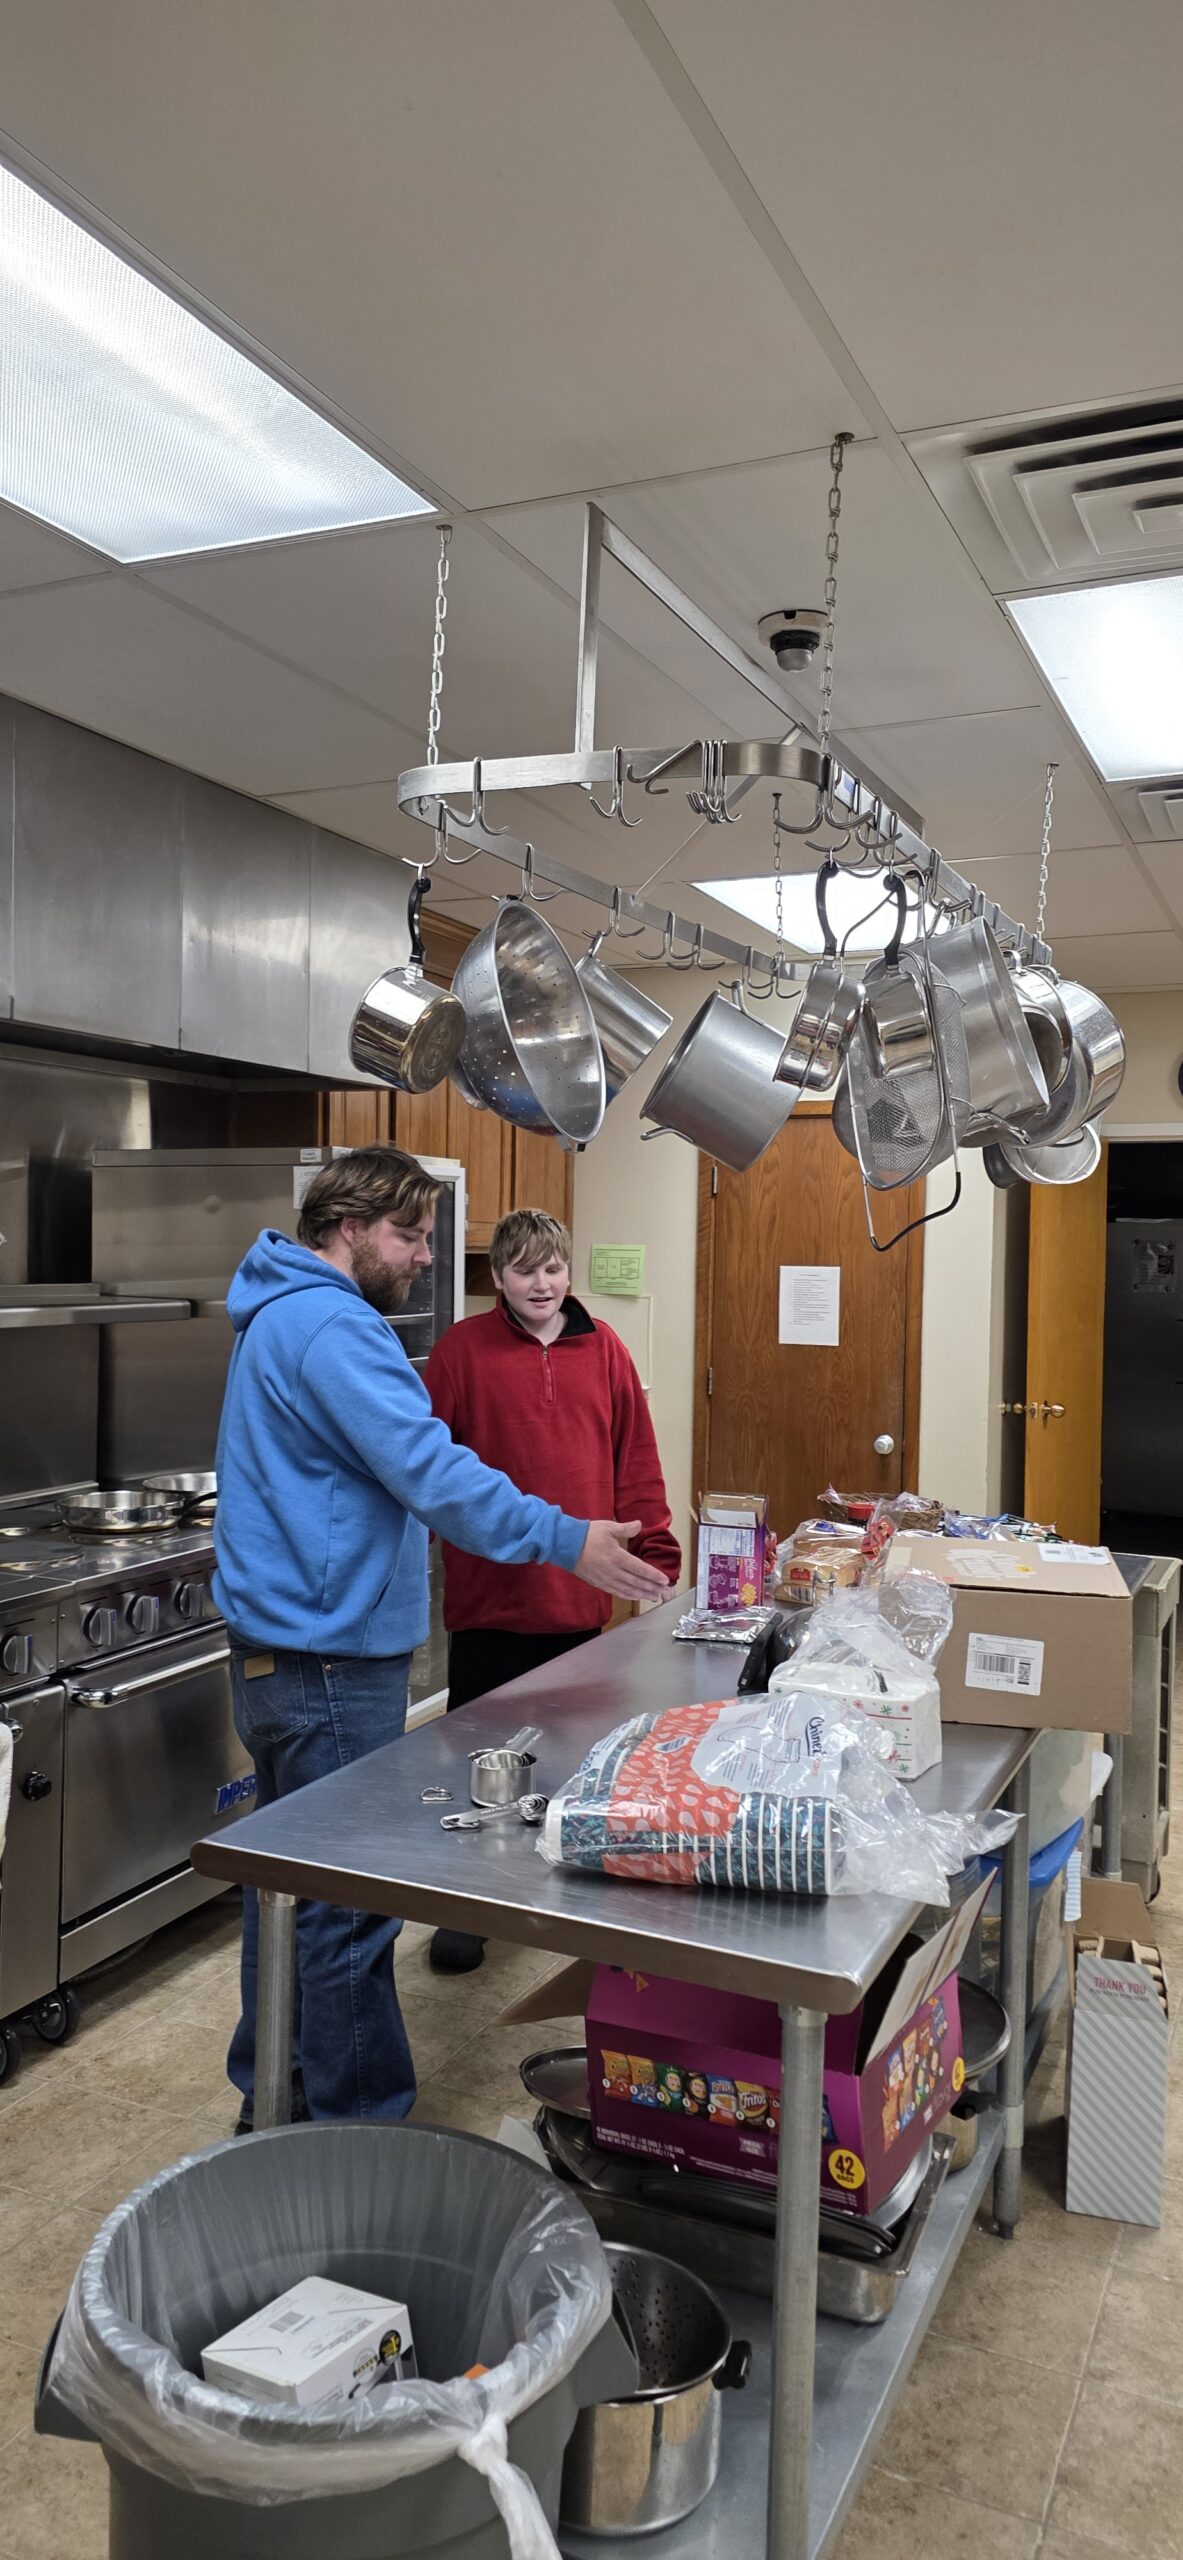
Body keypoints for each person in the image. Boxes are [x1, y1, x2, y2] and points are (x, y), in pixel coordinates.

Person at [212, 1148, 668, 2129]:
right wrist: (566, 1538)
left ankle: (275, 2099)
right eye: (410, 1235)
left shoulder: (276, 1312)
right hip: (330, 1661)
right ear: (349, 1227)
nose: (426, 1256)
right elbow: (435, 1471)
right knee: (347, 1904)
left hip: (278, 1653)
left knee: (280, 1888)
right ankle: (358, 2129)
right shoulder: (334, 1326)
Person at [424, 1206, 681, 1971]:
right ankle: (467, 1903)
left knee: (575, 1763)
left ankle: (563, 1896)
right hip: (486, 1599)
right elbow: (426, 1469)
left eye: (553, 1268)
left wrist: (654, 1546)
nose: (541, 1283)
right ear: (498, 1277)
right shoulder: (460, 1351)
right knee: (476, 1761)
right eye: (524, 1270)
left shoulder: (605, 1350)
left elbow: (636, 1455)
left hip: (577, 1603)